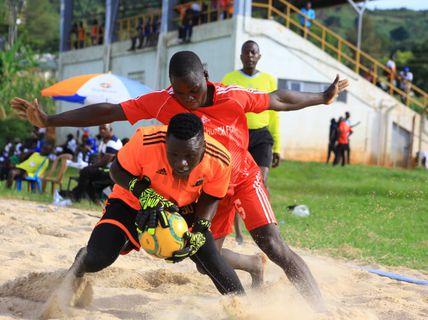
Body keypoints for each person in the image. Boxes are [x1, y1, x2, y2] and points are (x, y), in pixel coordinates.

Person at [11, 51, 348, 311]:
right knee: (206, 262)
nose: (188, 99)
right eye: (181, 92)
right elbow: (110, 111)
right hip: (204, 187)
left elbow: (278, 99)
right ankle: (250, 265)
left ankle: (320, 310)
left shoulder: (233, 95)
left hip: (240, 177)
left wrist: (322, 96)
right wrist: (49, 119)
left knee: (274, 244)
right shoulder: (163, 101)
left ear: (206, 76)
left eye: (195, 90)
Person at [66, 113, 244, 306]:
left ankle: (244, 309)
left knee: (210, 259)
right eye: (173, 154)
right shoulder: (145, 140)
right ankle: (70, 278)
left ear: (203, 146)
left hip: (182, 208)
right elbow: (116, 170)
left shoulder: (220, 159)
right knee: (98, 258)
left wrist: (200, 230)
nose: (181, 163)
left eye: (189, 156)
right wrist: (145, 195)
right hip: (132, 201)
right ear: (166, 142)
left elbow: (211, 196)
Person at [222, 40, 280, 244]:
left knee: (262, 179)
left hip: (262, 135)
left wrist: (278, 147)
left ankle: (268, 225)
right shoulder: (230, 79)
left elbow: (274, 115)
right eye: (246, 53)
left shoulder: (269, 81)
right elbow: (224, 109)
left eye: (254, 52)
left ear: (259, 56)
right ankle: (238, 233)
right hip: (238, 135)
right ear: (241, 56)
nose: (250, 56)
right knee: (236, 182)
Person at [69, 124, 122, 204]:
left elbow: (105, 162)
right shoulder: (103, 141)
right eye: (100, 128)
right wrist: (92, 166)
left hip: (113, 171)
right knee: (86, 175)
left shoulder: (113, 142)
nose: (102, 130)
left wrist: (90, 167)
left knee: (85, 172)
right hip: (106, 169)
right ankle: (95, 200)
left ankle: (76, 196)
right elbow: (100, 158)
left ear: (110, 129)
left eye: (104, 128)